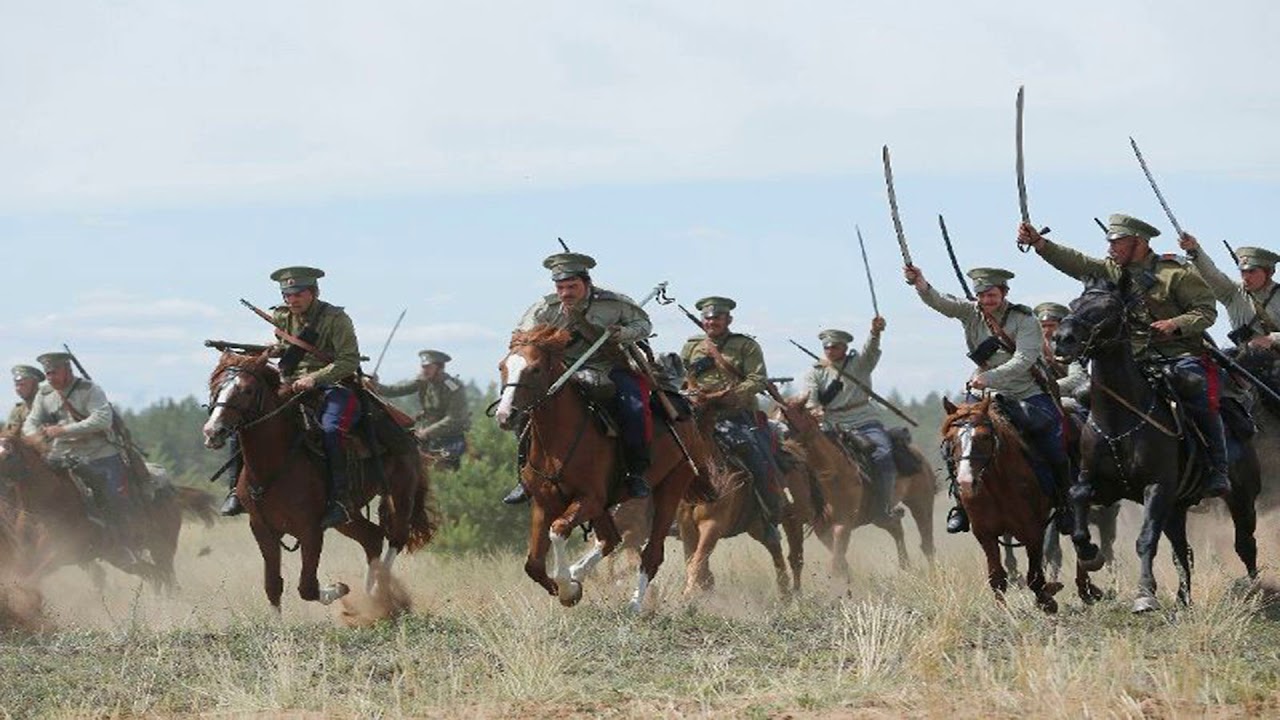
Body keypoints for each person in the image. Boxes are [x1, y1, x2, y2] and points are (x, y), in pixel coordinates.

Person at [1019, 215, 1228, 497]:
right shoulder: (1113, 272)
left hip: (1177, 354)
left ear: (1138, 242)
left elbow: (1206, 312)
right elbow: (1077, 262)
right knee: (1085, 396)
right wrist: (1040, 243)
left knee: (1195, 391)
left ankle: (1218, 469)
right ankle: (1089, 473)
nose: (1110, 248)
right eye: (1110, 242)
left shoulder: (1176, 272)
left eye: (1117, 242)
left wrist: (1175, 324)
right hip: (1134, 358)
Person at [904, 265, 1071, 534]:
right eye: (981, 295)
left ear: (1004, 292)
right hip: (985, 394)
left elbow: (1024, 359)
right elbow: (941, 302)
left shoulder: (1025, 319)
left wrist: (990, 376)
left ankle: (1064, 505)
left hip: (1026, 392)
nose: (986, 301)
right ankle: (960, 504)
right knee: (955, 443)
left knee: (1052, 443)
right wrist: (920, 283)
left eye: (991, 295)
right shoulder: (970, 312)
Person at [502, 252, 653, 504]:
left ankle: (634, 473)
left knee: (634, 407)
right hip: (558, 370)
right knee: (523, 410)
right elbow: (520, 335)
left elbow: (644, 325)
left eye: (572, 286)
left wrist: (622, 332)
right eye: (560, 287)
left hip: (606, 366)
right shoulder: (545, 307)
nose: (565, 293)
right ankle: (525, 478)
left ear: (587, 283)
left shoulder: (613, 303)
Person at [220, 266, 363, 529]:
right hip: (290, 386)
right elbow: (290, 350)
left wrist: (315, 379)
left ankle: (340, 500)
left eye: (298, 293)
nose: (292, 300)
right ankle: (235, 493)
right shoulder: (282, 316)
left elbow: (348, 360)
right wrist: (272, 351)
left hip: (333, 386)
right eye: (287, 294)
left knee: (331, 430)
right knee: (243, 421)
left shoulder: (336, 318)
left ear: (314, 292)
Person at [680, 296, 785, 535]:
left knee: (756, 454)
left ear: (728, 319)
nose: (712, 322)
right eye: (708, 318)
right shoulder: (692, 347)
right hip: (697, 413)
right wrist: (691, 394)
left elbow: (757, 379)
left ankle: (769, 511)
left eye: (717, 318)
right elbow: (681, 377)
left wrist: (731, 395)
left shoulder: (745, 346)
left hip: (735, 414)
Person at [22, 352, 139, 561]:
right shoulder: (44, 394)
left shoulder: (89, 390)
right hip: (60, 455)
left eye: (54, 372)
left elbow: (103, 420)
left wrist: (64, 430)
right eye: (47, 373)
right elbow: (30, 422)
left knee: (113, 498)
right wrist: (36, 438)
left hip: (98, 454)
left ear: (67, 370)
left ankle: (121, 545)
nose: (49, 377)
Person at [803, 319, 901, 519]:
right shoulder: (816, 371)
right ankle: (808, 508)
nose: (830, 350)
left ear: (845, 347)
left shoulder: (861, 363)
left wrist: (875, 333)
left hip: (863, 421)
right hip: (830, 424)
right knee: (804, 458)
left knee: (883, 454)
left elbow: (871, 349)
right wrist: (815, 409)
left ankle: (885, 506)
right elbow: (810, 397)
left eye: (835, 346)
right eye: (826, 347)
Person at [370, 349, 470, 469]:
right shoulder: (424, 382)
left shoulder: (453, 387)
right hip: (427, 438)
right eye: (423, 367)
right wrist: (374, 385)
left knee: (444, 470)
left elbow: (454, 418)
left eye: (428, 367)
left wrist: (426, 432)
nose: (424, 370)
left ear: (439, 368)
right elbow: (395, 390)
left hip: (449, 439)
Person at [1033, 302, 1089, 400]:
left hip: (1073, 397)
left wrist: (1045, 387)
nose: (1047, 330)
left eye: (1051, 326)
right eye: (1043, 326)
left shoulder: (1073, 347)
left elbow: (1077, 378)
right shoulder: (1034, 347)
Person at [6, 365, 44, 433]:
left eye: (22, 384)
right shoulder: (17, 411)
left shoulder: (48, 405)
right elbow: (9, 434)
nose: (18, 389)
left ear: (35, 384)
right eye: (16, 385)